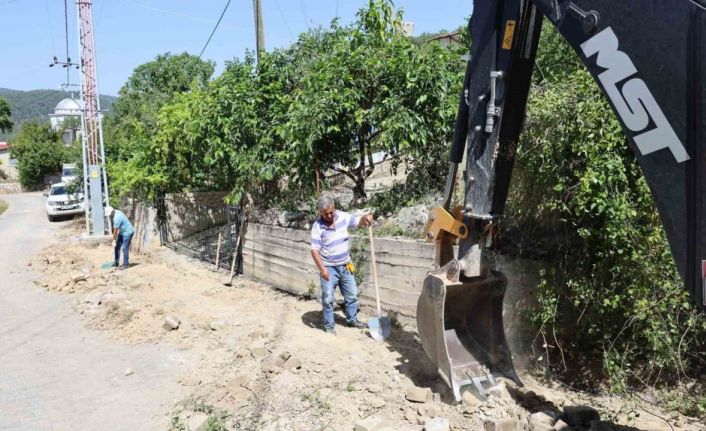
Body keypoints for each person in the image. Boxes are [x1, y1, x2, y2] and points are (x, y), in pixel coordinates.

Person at [310, 195, 373, 334]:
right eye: (325, 213)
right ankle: (330, 327)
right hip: (328, 268)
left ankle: (352, 320)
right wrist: (323, 270)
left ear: (334, 207)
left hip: (345, 265)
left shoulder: (343, 217)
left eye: (331, 212)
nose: (329, 215)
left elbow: (359, 222)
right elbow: (314, 251)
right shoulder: (317, 226)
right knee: (328, 299)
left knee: (352, 295)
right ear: (320, 212)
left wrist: (366, 218)